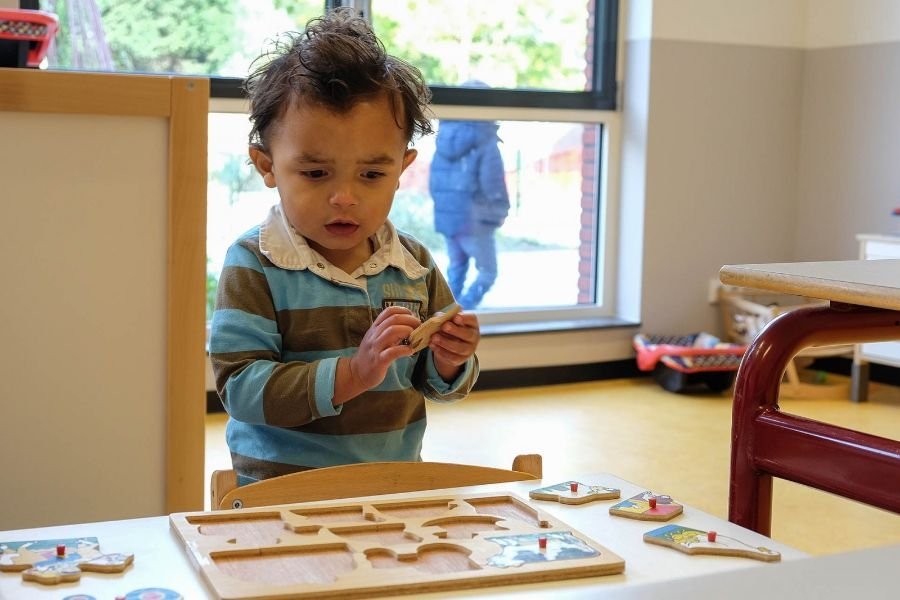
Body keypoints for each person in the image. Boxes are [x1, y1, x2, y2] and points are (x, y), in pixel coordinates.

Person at [208, 8, 481, 487]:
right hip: (282, 492)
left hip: (394, 485)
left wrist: (449, 360)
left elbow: (434, 384)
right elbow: (240, 388)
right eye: (315, 173)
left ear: (402, 168)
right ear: (267, 166)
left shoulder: (412, 264)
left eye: (372, 175)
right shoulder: (255, 262)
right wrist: (352, 374)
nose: (345, 197)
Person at [429, 101, 510, 310]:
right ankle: (461, 314)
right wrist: (500, 212)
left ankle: (445, 315)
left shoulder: (442, 141)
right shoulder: (485, 141)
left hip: (449, 220)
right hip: (475, 221)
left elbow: (433, 184)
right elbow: (493, 183)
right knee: (488, 272)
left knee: (456, 269)